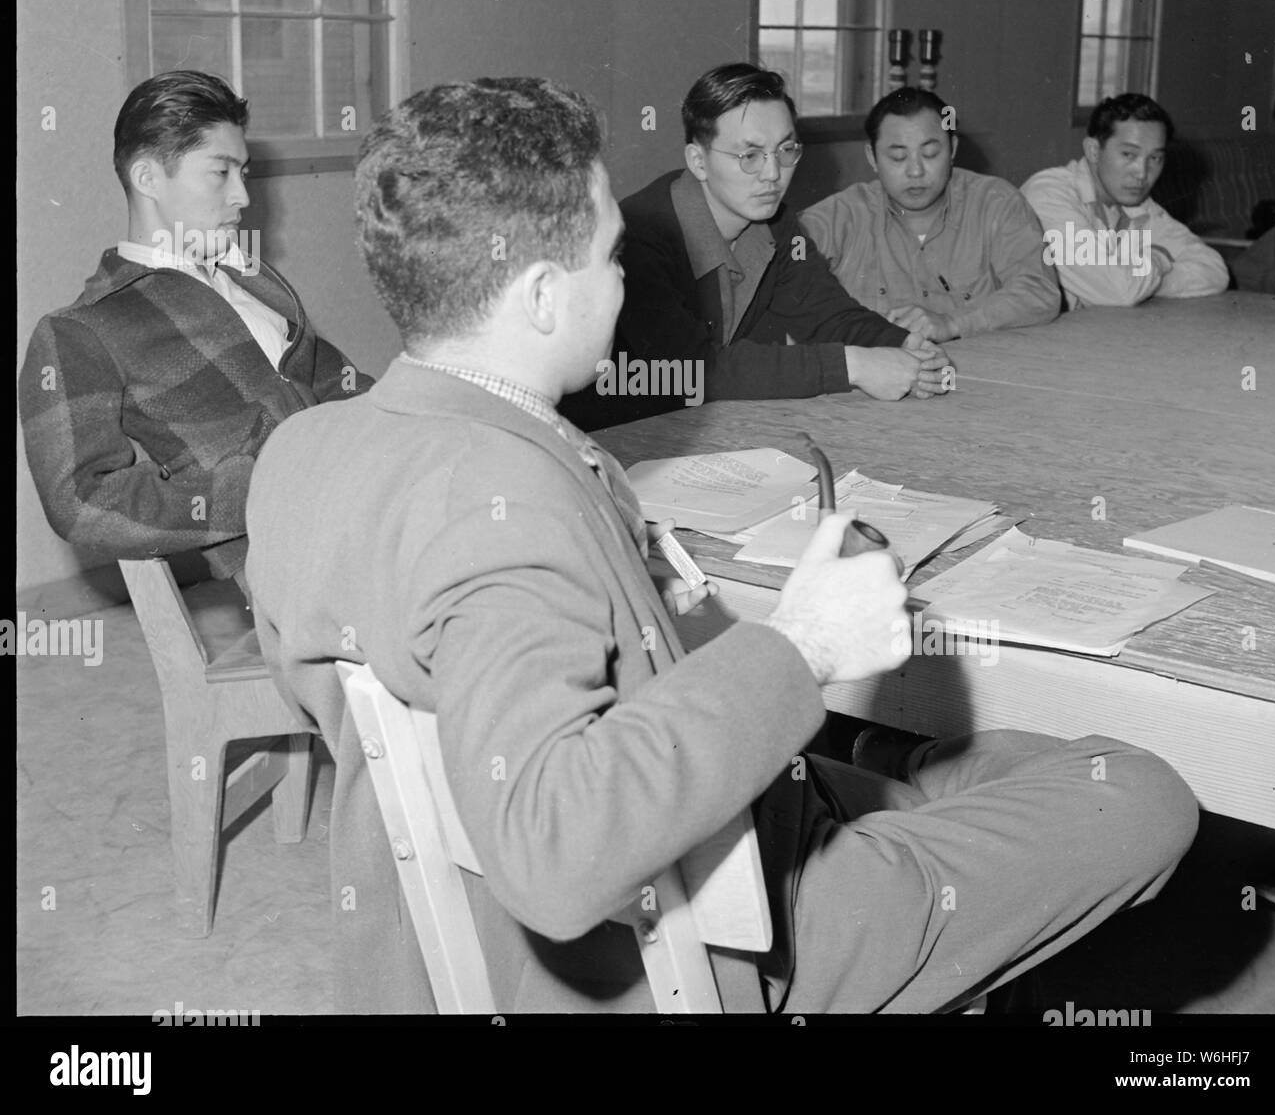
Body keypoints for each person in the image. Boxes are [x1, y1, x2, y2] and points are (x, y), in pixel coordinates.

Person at [246, 76, 1198, 1015]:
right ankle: (885, 795)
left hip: (485, 923)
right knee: (1145, 793)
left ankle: (874, 762)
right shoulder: (506, 504)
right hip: (727, 941)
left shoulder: (302, 451)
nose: (625, 280)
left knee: (1013, 760)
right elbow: (557, 854)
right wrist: (806, 646)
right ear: (541, 296)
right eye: (613, 258)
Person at [19, 70, 372, 598]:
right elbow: (80, 503)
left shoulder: (248, 282)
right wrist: (263, 484)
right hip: (298, 555)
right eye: (220, 172)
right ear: (147, 178)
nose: (243, 196)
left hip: (371, 496)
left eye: (244, 172)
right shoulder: (83, 330)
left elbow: (345, 387)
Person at [561, 63, 951, 430]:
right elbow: (692, 370)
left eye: (785, 150)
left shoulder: (775, 223)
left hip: (708, 427)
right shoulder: (640, 235)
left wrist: (903, 345)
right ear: (698, 161)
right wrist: (852, 366)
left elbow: (827, 314)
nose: (772, 174)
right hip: (617, 439)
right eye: (749, 155)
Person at [799, 87, 1060, 343]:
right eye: (898, 157)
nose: (916, 171)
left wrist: (954, 324)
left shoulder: (995, 203)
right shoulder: (843, 215)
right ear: (872, 157)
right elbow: (781, 258)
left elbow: (1039, 292)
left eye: (930, 154)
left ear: (952, 149)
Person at [1021, 93, 1229, 308]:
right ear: (1093, 151)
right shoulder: (1049, 194)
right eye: (1129, 154)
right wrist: (1160, 256)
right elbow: (1119, 292)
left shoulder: (1137, 206)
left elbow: (1214, 270)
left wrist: (1140, 282)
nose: (1142, 173)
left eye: (1155, 158)